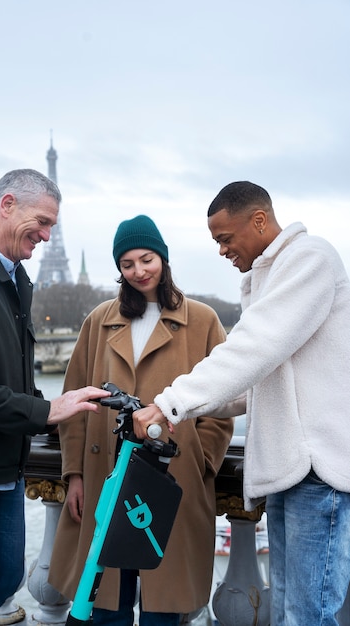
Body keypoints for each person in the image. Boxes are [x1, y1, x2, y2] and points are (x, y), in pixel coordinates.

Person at [133, 182, 350, 626]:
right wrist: (184, 409)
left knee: (307, 615)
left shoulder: (311, 259)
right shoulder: (271, 276)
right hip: (296, 469)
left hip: (317, 468)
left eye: (224, 238)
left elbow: (254, 347)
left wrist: (172, 402)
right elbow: (253, 382)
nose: (221, 251)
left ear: (259, 220)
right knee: (293, 610)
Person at [0, 169, 110, 626]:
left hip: (5, 466)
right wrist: (44, 409)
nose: (49, 236)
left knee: (4, 575)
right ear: (7, 204)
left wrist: (57, 407)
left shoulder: (15, 279)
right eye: (43, 221)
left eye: (54, 225)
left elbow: (11, 373)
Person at [48, 215, 234, 625]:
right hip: (106, 479)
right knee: (106, 604)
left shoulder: (203, 321)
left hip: (172, 478)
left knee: (161, 609)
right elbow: (73, 403)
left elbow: (223, 404)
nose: (138, 271)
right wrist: (74, 473)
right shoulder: (98, 320)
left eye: (146, 259)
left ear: (163, 258)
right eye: (127, 263)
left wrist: (202, 462)